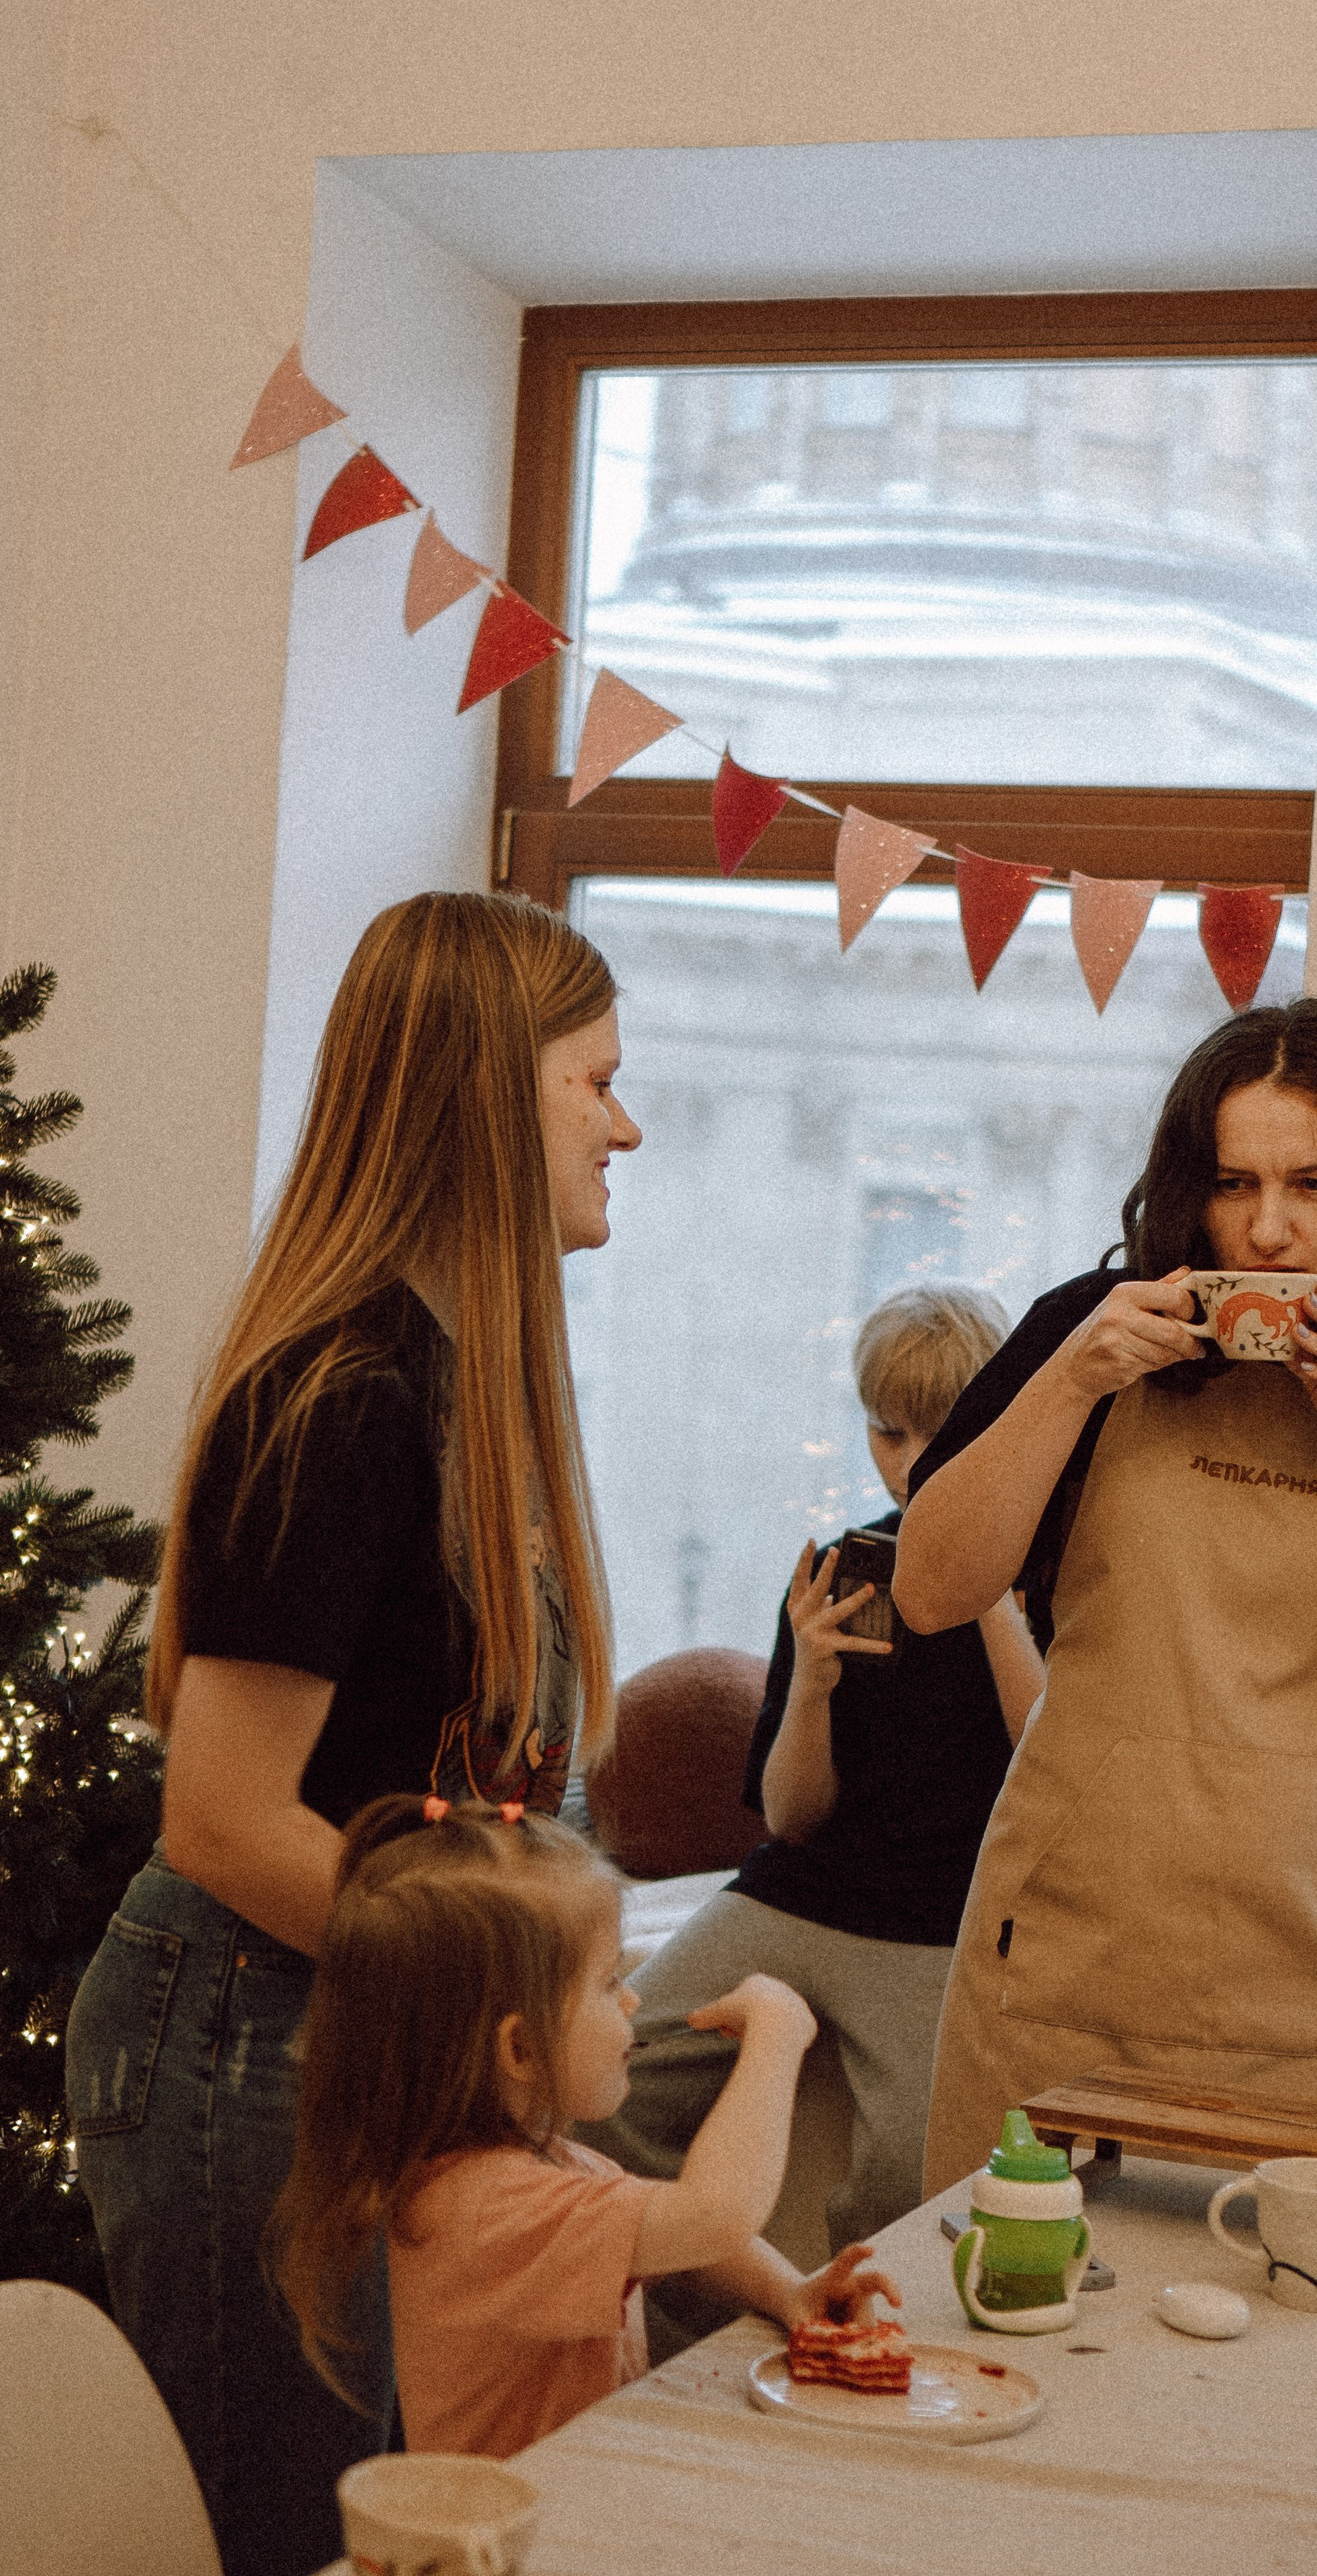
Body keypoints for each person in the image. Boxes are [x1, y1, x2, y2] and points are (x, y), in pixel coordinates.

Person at [65, 892, 639, 2576]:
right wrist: (490, 2009)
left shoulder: (471, 1383)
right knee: (297, 2539)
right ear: (482, 1090)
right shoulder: (341, 1395)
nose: (626, 1119)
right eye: (592, 1079)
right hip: (248, 2043)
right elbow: (227, 1819)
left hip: (350, 2043)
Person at [895, 1000, 1317, 2194]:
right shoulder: (1080, 1337)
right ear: (1187, 1190)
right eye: (1234, 1184)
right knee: (1018, 2307)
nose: (1268, 1231)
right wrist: (1073, 1380)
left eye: (1315, 1186)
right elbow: (932, 1590)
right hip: (1060, 1970)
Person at [590, 1287, 1043, 2291]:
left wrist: (993, 1602)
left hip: (940, 1922)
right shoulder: (846, 1565)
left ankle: (849, 2345)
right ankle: (710, 2338)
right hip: (801, 1892)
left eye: (942, 1429)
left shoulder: (1045, 1563)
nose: (911, 1459)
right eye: (888, 1431)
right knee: (606, 2093)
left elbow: (1048, 1773)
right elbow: (792, 1817)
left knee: (915, 2178)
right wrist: (812, 1682)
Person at [272, 1794, 899, 2458]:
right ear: (520, 2050)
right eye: (606, 1984)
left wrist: (790, 2294)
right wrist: (777, 2035)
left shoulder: (530, 2166)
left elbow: (681, 2239)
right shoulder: (492, 2209)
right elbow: (714, 2214)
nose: (632, 1998)